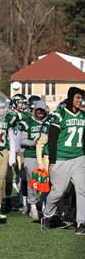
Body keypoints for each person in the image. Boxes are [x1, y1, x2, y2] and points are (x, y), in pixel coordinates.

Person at [43, 87, 85, 235]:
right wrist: (52, 161)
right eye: (78, 98)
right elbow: (52, 139)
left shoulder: (83, 116)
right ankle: (47, 215)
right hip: (61, 158)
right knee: (58, 192)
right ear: (71, 97)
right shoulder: (59, 115)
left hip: (79, 157)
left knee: (82, 190)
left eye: (81, 98)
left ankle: (81, 223)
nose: (80, 101)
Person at [18, 98, 49, 221]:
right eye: (38, 111)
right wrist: (32, 143)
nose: (40, 114)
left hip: (45, 155)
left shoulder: (50, 121)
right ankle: (33, 205)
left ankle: (44, 204)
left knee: (46, 180)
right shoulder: (27, 121)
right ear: (35, 110)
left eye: (42, 111)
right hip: (31, 154)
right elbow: (21, 139)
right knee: (33, 179)